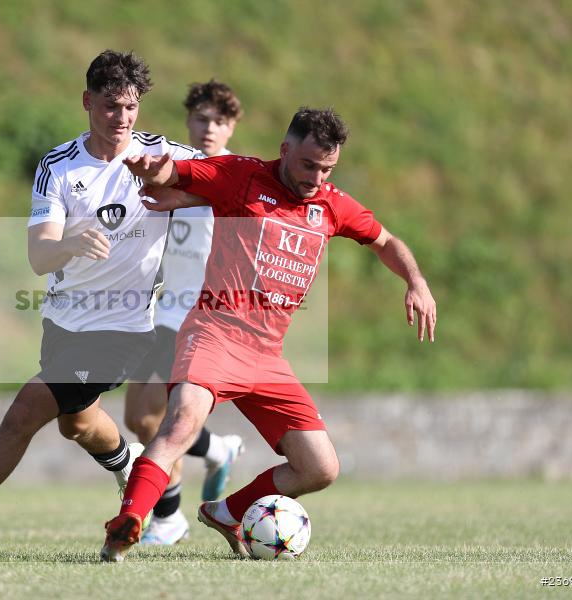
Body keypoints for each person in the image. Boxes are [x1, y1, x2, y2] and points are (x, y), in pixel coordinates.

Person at [0, 50, 201, 555]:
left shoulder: (159, 155)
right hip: (63, 322)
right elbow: (38, 254)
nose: (121, 118)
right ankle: (129, 465)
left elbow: (232, 175)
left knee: (24, 412)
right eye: (110, 106)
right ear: (87, 102)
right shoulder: (58, 165)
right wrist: (71, 243)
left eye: (131, 107)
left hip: (123, 327)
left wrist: (289, 186)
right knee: (76, 423)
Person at [101, 107, 437, 561]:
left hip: (267, 356)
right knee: (180, 424)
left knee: (320, 468)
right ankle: (128, 524)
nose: (316, 177)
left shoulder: (332, 205)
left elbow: (386, 241)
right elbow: (177, 170)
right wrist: (153, 169)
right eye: (308, 165)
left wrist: (416, 281)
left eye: (327, 168)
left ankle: (226, 511)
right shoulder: (241, 176)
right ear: (285, 150)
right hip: (215, 333)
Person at [124, 80, 247, 546]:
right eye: (201, 118)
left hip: (204, 315)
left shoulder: (239, 174)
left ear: (232, 125)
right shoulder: (174, 169)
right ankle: (218, 448)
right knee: (141, 419)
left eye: (219, 120)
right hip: (162, 309)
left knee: (160, 416)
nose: (209, 127)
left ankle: (169, 517)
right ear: (188, 122)